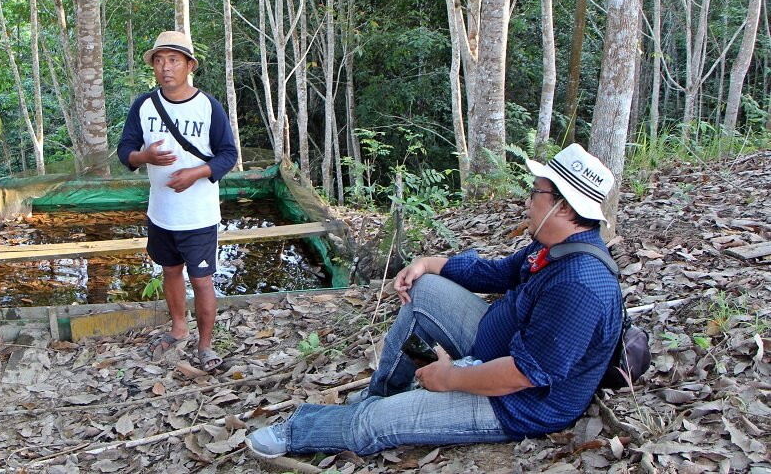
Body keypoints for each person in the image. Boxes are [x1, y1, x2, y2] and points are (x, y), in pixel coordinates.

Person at [246, 143, 623, 457]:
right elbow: (496, 273)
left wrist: (452, 377)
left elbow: (522, 376)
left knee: (377, 423)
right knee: (422, 292)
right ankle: (385, 390)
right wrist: (428, 263)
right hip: (494, 348)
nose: (527, 200)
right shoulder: (551, 245)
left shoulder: (580, 286)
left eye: (536, 192)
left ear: (565, 207)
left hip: (516, 401)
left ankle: (302, 431)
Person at [117, 30, 238, 371]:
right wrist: (144, 157)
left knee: (201, 280)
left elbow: (229, 154)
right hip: (161, 212)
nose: (165, 67)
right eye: (159, 60)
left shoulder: (207, 107)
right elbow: (124, 151)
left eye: (173, 60)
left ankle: (205, 345)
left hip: (198, 215)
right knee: (170, 271)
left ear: (189, 66)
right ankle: (178, 328)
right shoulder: (143, 106)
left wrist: (196, 173)